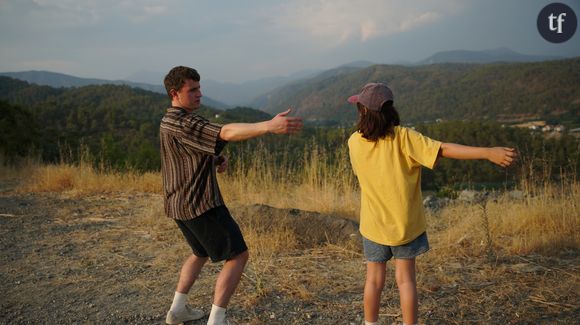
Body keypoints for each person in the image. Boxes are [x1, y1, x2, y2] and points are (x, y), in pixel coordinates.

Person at [346, 83, 517, 325]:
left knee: (373, 281)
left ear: (363, 111)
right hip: (406, 225)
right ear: (389, 111)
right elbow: (444, 149)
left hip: (374, 226)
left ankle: (370, 323)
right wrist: (487, 152)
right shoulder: (405, 138)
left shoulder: (354, 142)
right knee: (405, 281)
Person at [160, 66, 302, 325]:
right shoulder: (186, 122)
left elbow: (182, 155)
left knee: (200, 252)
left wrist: (214, 159)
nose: (199, 94)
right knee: (238, 255)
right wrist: (269, 126)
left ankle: (177, 310)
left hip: (177, 204)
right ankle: (217, 319)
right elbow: (225, 132)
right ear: (174, 93)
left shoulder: (168, 120)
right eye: (192, 90)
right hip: (199, 203)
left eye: (199, 88)